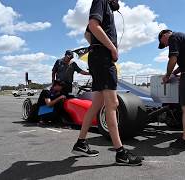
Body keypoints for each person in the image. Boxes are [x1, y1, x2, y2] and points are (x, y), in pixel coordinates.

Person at [71, 0, 143, 166]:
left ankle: (81, 143)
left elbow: (87, 33)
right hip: (103, 58)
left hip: (98, 57)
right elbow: (93, 25)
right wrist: (111, 48)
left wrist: (96, 46)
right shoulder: (101, 1)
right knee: (113, 103)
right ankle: (120, 153)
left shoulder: (105, 7)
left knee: (97, 104)